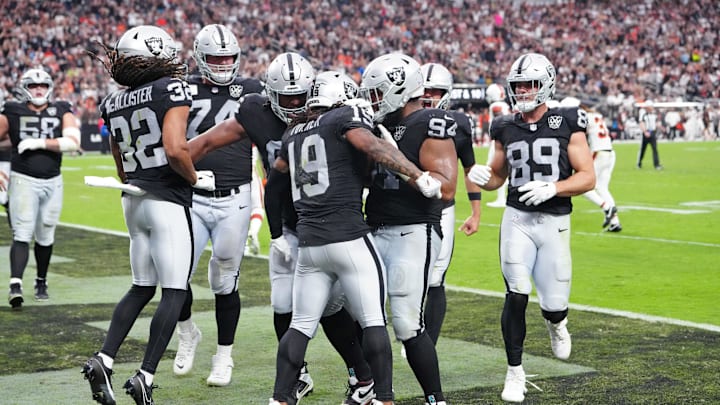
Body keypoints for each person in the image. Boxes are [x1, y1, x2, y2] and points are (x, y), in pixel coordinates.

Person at [189, 53, 374, 402]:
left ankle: (362, 374)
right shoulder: (255, 113)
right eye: (285, 97)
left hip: (330, 220)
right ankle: (300, 375)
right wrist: (172, 163)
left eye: (299, 97)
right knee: (282, 303)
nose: (293, 104)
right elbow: (208, 141)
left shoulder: (333, 112)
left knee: (337, 306)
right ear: (270, 94)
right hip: (289, 224)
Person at [270, 70, 441, 405]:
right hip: (348, 237)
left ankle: (279, 398)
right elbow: (369, 145)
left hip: (309, 243)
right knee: (374, 320)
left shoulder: (292, 133)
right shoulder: (344, 116)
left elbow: (277, 176)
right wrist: (417, 175)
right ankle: (384, 398)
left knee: (301, 325)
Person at [81, 25, 216, 405]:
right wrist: (194, 178)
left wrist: (139, 179)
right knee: (173, 291)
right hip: (166, 199)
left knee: (141, 286)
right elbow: (175, 149)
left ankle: (104, 359)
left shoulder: (113, 101)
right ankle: (145, 375)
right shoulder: (172, 89)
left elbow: (120, 163)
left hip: (133, 198)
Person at [468, 53, 595, 403]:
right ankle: (515, 372)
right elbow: (496, 177)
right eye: (518, 85)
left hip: (554, 221)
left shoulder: (569, 120)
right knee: (516, 293)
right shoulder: (504, 126)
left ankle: (556, 323)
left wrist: (554, 187)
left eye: (530, 84)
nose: (523, 90)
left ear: (547, 85)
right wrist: (484, 177)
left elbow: (587, 177)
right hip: (517, 219)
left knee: (554, 305)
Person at [172, 23, 265, 387]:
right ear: (199, 57)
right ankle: (187, 332)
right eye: (216, 58)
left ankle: (224, 355)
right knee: (175, 275)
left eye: (229, 57)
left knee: (225, 279)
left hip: (235, 196)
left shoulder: (254, 89)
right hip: (190, 195)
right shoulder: (183, 88)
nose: (224, 64)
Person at [361, 53, 457, 405]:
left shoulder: (429, 122)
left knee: (406, 325)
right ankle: (371, 391)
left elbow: (446, 187)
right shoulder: (376, 124)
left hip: (412, 231)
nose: (373, 101)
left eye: (377, 92)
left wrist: (401, 163)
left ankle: (436, 399)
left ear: (400, 89)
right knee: (362, 316)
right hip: (372, 227)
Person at [0, 68, 81, 309]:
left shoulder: (61, 109)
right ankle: (15, 284)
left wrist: (39, 142)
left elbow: (73, 142)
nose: (38, 90)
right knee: (22, 232)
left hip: (53, 180)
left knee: (46, 233)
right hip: (23, 178)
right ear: (24, 87)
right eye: (34, 86)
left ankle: (41, 281)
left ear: (50, 88)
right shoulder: (12, 110)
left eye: (43, 86)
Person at [419, 62, 482, 346]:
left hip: (441, 209)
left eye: (435, 91)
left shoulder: (458, 125)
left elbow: (470, 168)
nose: (429, 95)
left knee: (435, 278)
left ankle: (428, 343)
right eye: (425, 90)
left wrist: (476, 211)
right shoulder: (401, 118)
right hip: (404, 209)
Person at [561, 97, 622, 232]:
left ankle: (607, 207)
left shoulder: (581, 117)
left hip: (598, 152)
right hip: (610, 152)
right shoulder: (595, 115)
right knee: (602, 188)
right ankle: (615, 222)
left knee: (584, 187)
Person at [484, 83, 512, 208]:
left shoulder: (496, 106)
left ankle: (501, 199)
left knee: (495, 169)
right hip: (506, 139)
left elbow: (499, 123)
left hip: (499, 140)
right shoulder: (504, 105)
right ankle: (502, 198)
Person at [244, 145, 266, 256]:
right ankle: (253, 231)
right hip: (250, 173)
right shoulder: (252, 131)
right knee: (257, 207)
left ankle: (244, 246)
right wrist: (266, 176)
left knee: (237, 210)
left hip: (232, 174)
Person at [637, 100, 663, 170]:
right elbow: (641, 122)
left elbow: (656, 122)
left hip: (652, 132)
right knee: (642, 149)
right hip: (646, 132)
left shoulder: (654, 114)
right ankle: (639, 163)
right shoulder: (643, 113)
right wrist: (645, 131)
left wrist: (660, 127)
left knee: (655, 149)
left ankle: (656, 164)